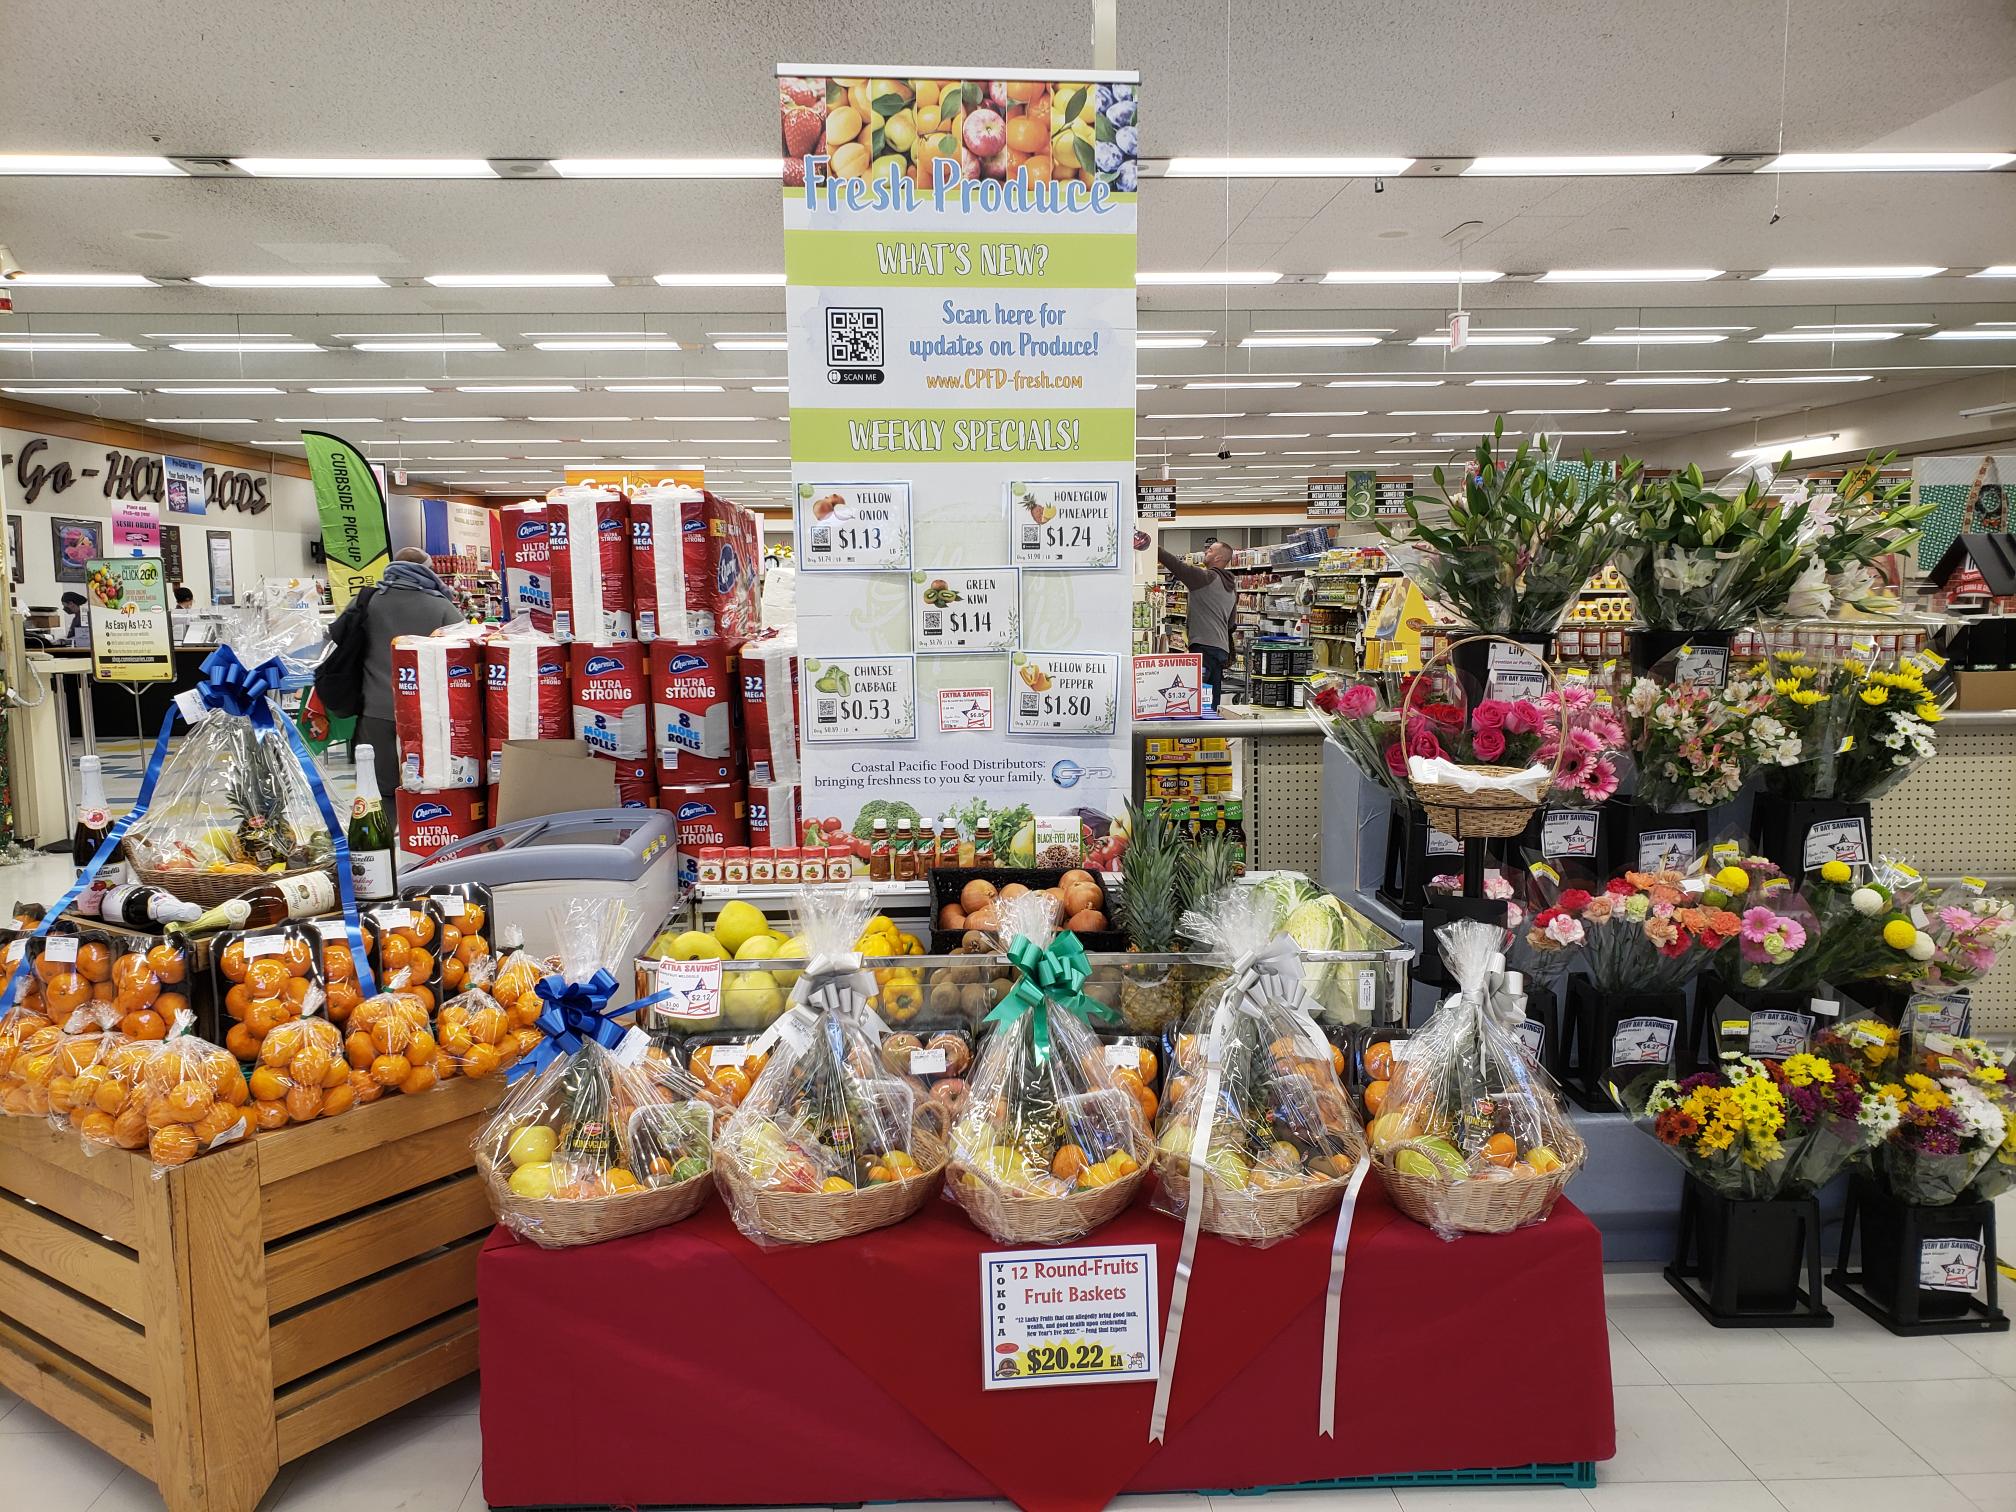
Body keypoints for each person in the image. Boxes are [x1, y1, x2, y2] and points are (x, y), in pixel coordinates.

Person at [328, 547, 465, 798]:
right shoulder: (442, 607)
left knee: (378, 790)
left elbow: (337, 636)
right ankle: (422, 832)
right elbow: (464, 653)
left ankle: (381, 835)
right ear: (427, 570)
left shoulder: (366, 601)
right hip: (427, 714)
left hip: (374, 711)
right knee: (430, 787)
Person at [1156, 539, 1237, 708]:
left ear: (1219, 558)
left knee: (1195, 698)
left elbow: (1177, 566)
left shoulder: (1206, 577)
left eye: (1210, 550)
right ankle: (1211, 732)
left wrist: (1154, 549)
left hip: (1204, 647)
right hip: (1221, 649)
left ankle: (1195, 732)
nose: (1206, 551)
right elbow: (1231, 623)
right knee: (1211, 698)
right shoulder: (1230, 586)